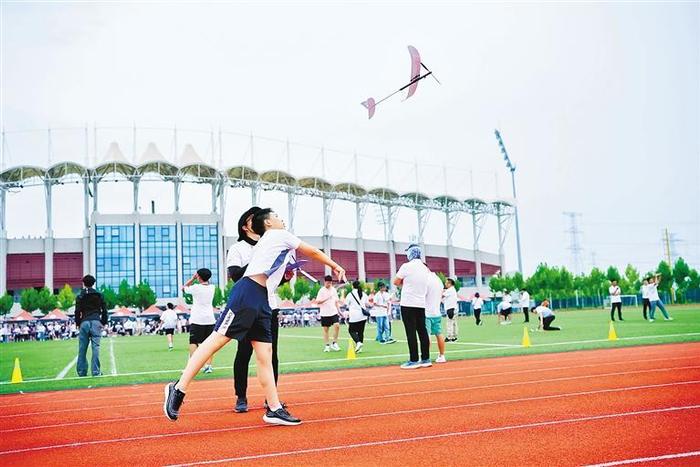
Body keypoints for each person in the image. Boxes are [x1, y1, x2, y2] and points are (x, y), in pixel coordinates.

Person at [164, 208, 346, 426]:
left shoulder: (267, 241)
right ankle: (179, 388)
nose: (282, 218)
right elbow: (313, 251)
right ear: (268, 223)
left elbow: (272, 269)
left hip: (263, 298)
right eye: (277, 216)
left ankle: (274, 409)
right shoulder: (279, 235)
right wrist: (335, 266)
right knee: (216, 340)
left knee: (265, 355)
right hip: (248, 293)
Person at [394, 244, 431, 369]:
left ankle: (413, 359)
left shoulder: (406, 266)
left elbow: (396, 281)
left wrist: (406, 284)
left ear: (410, 254)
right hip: (420, 304)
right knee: (422, 331)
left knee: (411, 332)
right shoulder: (425, 268)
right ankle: (426, 358)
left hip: (408, 303)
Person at [183, 268, 216, 374]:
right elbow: (206, 281)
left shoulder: (195, 287)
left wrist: (192, 279)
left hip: (197, 319)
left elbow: (183, 288)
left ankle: (192, 367)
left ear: (198, 277)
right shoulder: (212, 287)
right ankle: (208, 366)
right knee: (209, 344)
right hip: (210, 319)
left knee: (193, 342)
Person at [74, 274, 108, 377]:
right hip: (96, 321)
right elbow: (104, 310)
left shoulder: (80, 295)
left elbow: (77, 311)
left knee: (82, 348)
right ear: (94, 283)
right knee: (95, 348)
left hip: (84, 321)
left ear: (84, 283)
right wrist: (103, 322)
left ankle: (82, 372)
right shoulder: (99, 295)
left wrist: (78, 323)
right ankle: (96, 371)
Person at [314, 275, 342, 352]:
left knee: (337, 326)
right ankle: (327, 345)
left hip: (333, 312)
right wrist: (326, 299)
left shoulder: (334, 290)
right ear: (325, 282)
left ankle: (334, 343)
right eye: (327, 283)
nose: (328, 284)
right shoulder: (321, 290)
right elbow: (317, 302)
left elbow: (336, 301)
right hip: (324, 313)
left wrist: (339, 311)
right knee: (326, 330)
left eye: (330, 283)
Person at [425, 272, 446, 363]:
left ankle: (426, 357)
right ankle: (442, 355)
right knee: (439, 333)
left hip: (426, 313)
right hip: (436, 312)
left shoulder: (425, 280)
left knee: (426, 335)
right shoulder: (438, 281)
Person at [345, 280, 369, 353]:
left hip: (354, 315)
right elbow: (367, 304)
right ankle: (360, 348)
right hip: (363, 316)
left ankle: (358, 342)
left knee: (351, 330)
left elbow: (346, 304)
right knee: (360, 332)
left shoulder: (350, 294)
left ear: (353, 286)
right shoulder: (363, 294)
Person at [442, 277, 459, 342]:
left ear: (449, 284)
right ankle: (454, 337)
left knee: (449, 323)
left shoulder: (449, 290)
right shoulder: (453, 290)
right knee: (454, 323)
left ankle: (449, 337)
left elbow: (442, 295)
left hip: (450, 309)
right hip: (454, 308)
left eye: (446, 283)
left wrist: (442, 291)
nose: (445, 284)